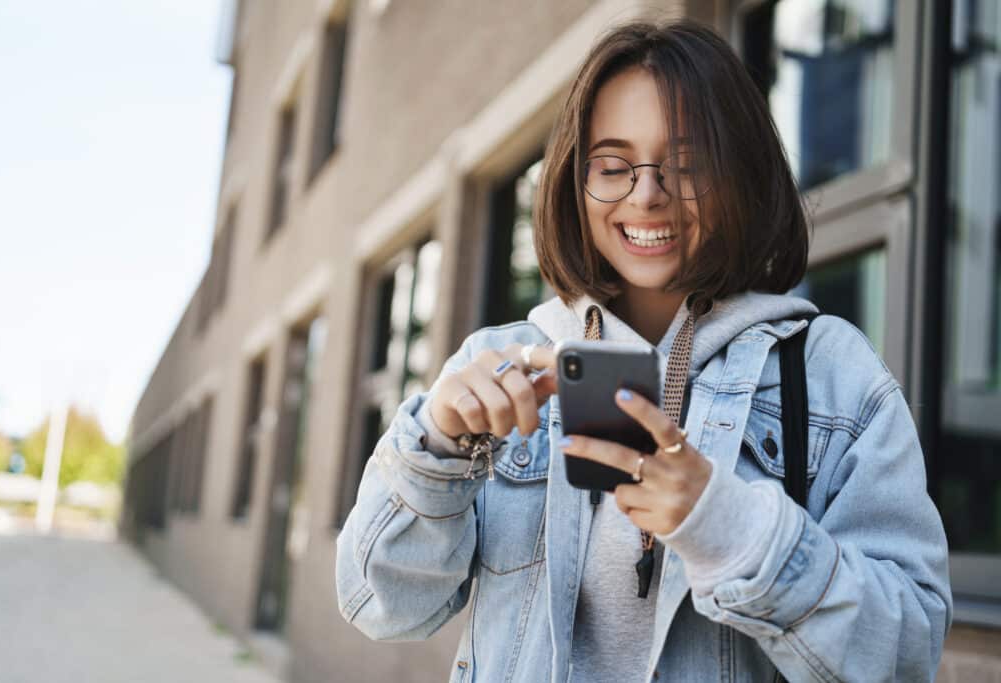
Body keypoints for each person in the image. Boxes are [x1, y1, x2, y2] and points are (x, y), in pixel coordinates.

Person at [336, 19, 951, 683]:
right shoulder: (502, 360)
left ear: (740, 174)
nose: (647, 194)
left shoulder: (832, 374)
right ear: (577, 178)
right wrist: (436, 449)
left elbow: (908, 650)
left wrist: (733, 528)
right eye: (613, 165)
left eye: (688, 165)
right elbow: (381, 605)